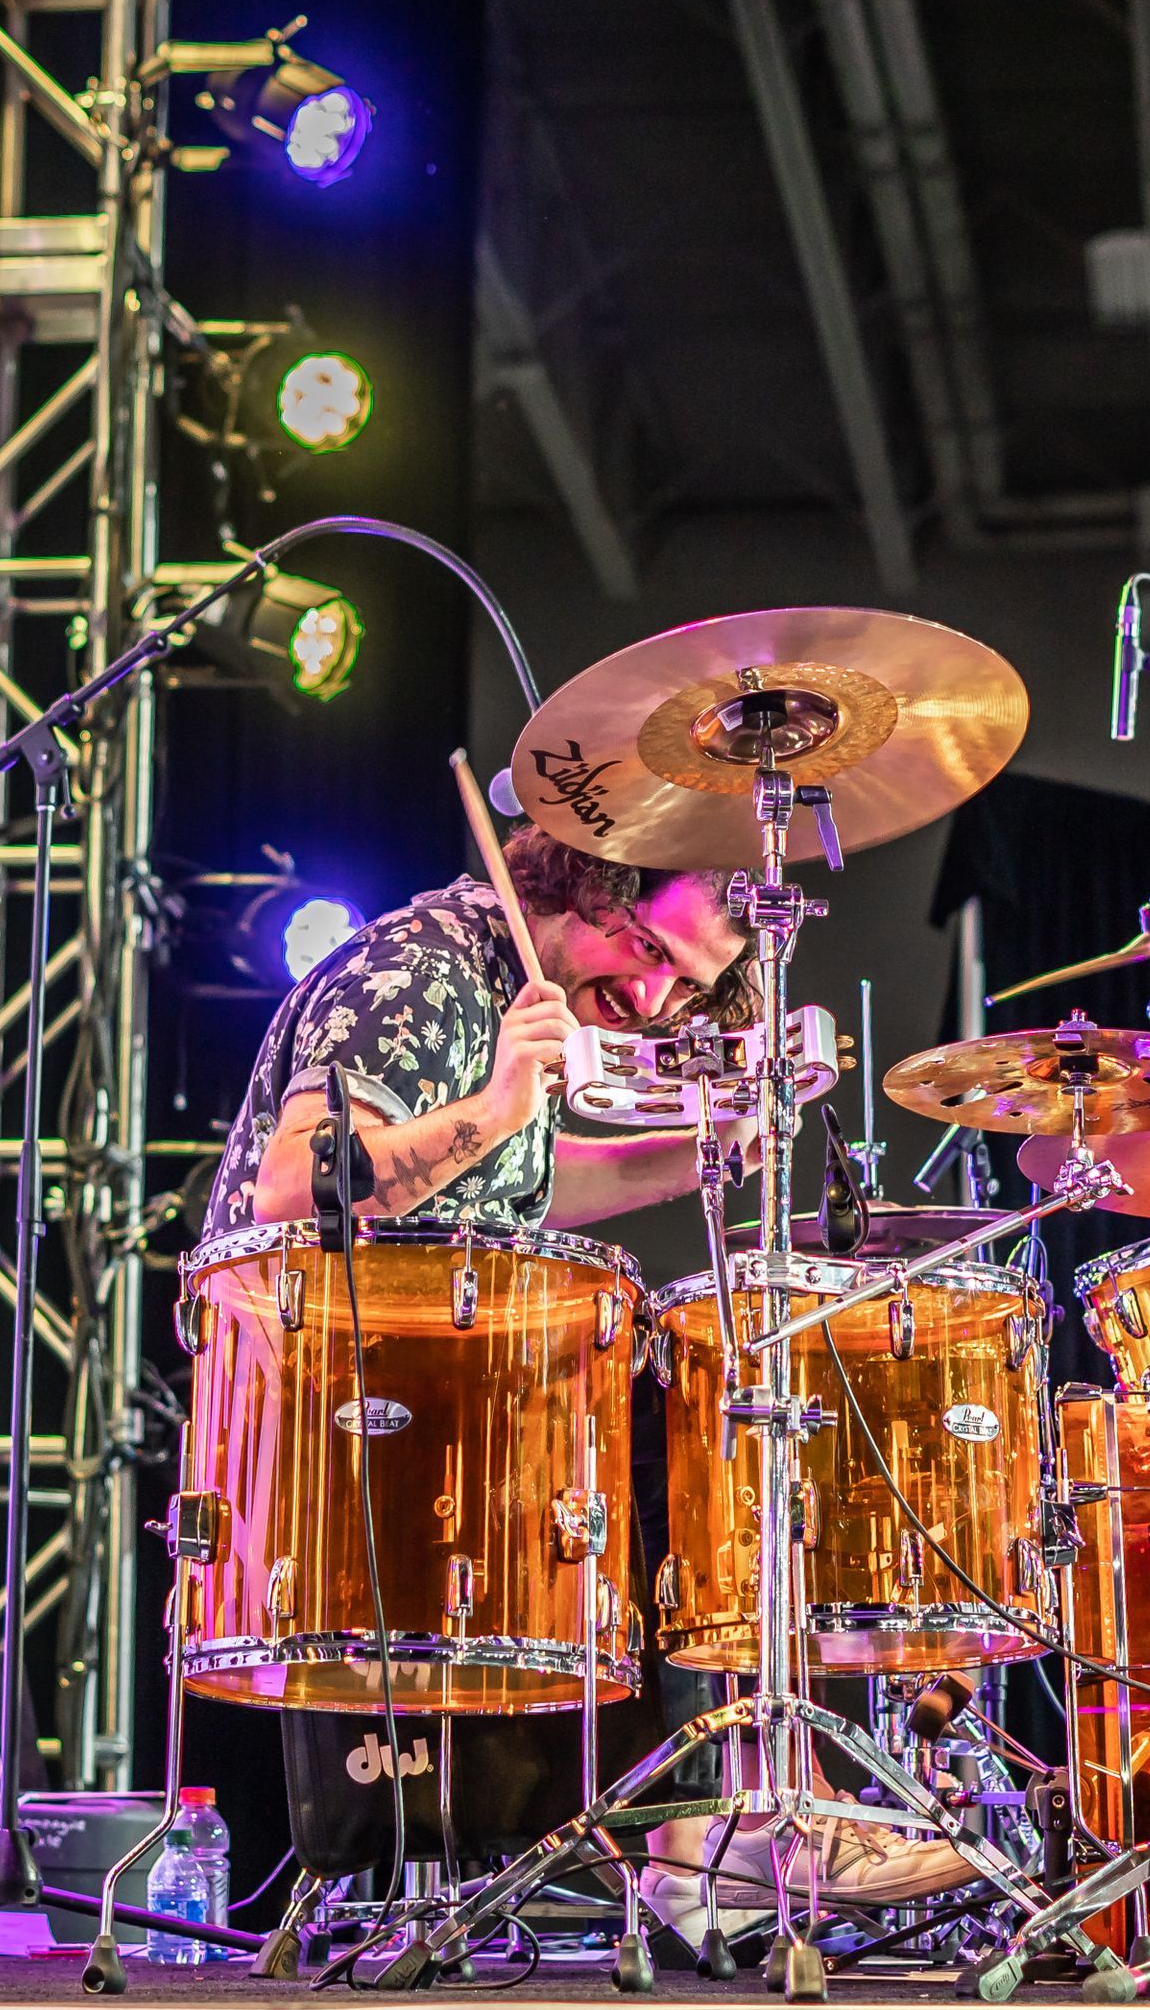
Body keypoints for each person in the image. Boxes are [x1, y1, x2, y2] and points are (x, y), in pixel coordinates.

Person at [202, 822, 977, 1927]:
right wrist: (501, 1107)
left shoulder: (515, 989)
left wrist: (709, 1139)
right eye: (653, 957)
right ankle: (719, 1831)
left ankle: (744, 1815)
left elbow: (518, 1188)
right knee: (667, 1425)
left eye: (691, 984)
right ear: (595, 885)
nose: (660, 1003)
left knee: (709, 1397)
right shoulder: (418, 971)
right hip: (338, 1397)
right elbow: (293, 1190)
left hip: (437, 1380)